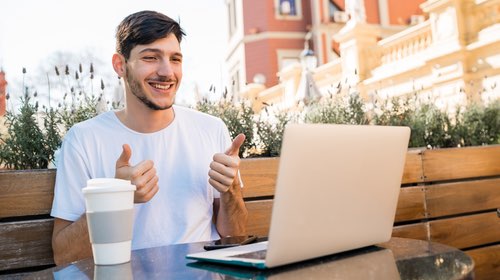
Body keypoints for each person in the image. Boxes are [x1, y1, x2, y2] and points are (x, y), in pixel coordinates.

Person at [50, 10, 248, 265]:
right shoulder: (83, 139)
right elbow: (63, 255)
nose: (167, 72)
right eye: (151, 57)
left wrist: (231, 191)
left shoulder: (211, 129)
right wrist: (116, 197)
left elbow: (236, 236)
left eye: (175, 59)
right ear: (120, 65)